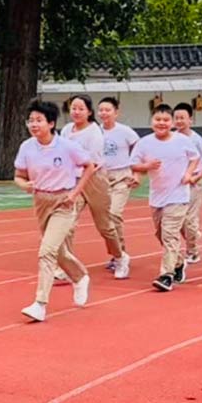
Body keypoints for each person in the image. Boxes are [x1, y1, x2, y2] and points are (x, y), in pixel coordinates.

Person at [15, 99, 95, 323]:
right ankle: (80, 277)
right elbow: (19, 175)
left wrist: (76, 193)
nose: (33, 124)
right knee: (58, 251)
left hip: (64, 202)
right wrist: (24, 185)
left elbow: (90, 166)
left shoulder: (67, 146)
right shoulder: (26, 147)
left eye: (38, 120)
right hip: (41, 200)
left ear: (51, 123)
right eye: (30, 120)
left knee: (46, 251)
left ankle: (40, 304)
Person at [129, 104, 200, 292]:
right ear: (152, 121)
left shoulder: (182, 140)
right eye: (158, 120)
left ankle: (166, 275)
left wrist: (188, 174)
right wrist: (147, 166)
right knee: (161, 235)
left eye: (166, 120)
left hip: (178, 196)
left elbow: (195, 157)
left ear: (171, 122)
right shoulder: (144, 143)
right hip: (156, 196)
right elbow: (133, 165)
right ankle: (178, 264)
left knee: (170, 235)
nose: (162, 123)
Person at [60, 95, 128, 279]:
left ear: (89, 112)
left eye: (81, 108)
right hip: (73, 181)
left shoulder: (94, 132)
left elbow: (92, 163)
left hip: (94, 180)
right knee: (67, 224)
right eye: (73, 108)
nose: (76, 112)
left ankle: (120, 257)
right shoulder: (66, 130)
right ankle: (68, 266)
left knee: (105, 226)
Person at [97, 97, 140, 274]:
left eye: (108, 110)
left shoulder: (125, 132)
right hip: (101, 178)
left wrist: (136, 172)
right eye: (101, 110)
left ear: (116, 112)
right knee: (105, 220)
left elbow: (139, 148)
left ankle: (120, 253)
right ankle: (117, 253)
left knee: (114, 213)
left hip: (122, 176)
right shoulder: (95, 132)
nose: (104, 113)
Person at [172, 103, 202, 264]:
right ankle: (193, 234)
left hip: (193, 183)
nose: (179, 121)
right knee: (177, 219)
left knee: (189, 218)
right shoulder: (172, 137)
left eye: (182, 118)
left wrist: (197, 177)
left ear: (191, 120)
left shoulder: (197, 140)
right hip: (176, 184)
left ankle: (192, 252)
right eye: (176, 118)